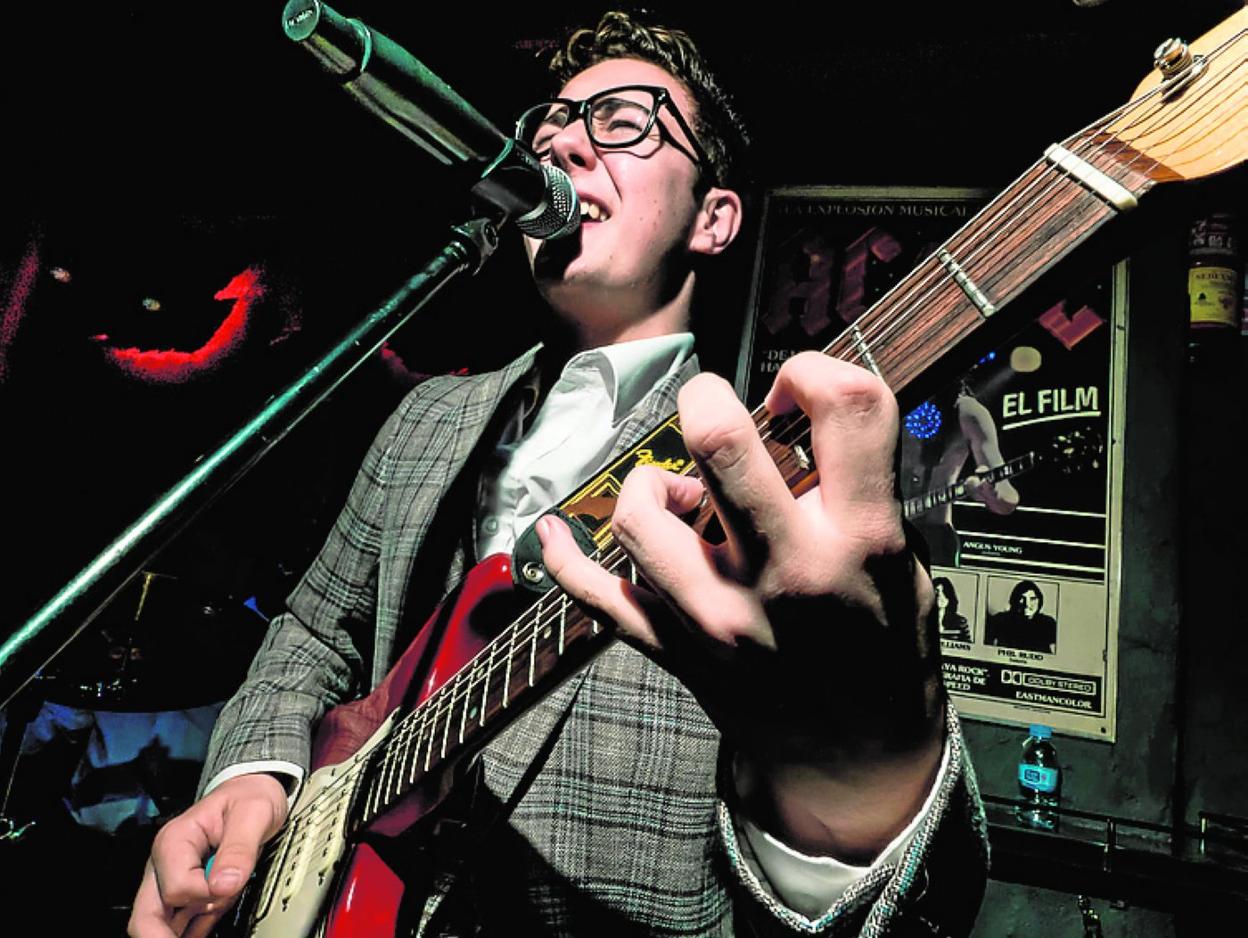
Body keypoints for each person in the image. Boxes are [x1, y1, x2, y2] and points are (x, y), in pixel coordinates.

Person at [129, 12, 987, 937]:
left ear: (713, 219)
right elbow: (311, 630)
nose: (565, 146)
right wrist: (254, 774)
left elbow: (911, 898)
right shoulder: (427, 417)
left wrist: (861, 778)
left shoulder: (774, 486)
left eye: (622, 121)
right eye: (552, 128)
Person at [902, 378, 1020, 567]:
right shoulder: (885, 396)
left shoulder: (969, 413)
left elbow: (1006, 502)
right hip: (876, 531)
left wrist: (991, 493)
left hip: (933, 541)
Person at [985, 579, 1058, 655]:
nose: (1027, 604)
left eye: (1032, 599)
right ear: (1014, 599)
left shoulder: (1048, 623)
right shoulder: (1000, 620)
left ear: (1039, 601)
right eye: (1022, 598)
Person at [933, 577, 972, 644]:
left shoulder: (960, 622)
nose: (940, 595)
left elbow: (968, 645)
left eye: (943, 591)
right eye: (936, 591)